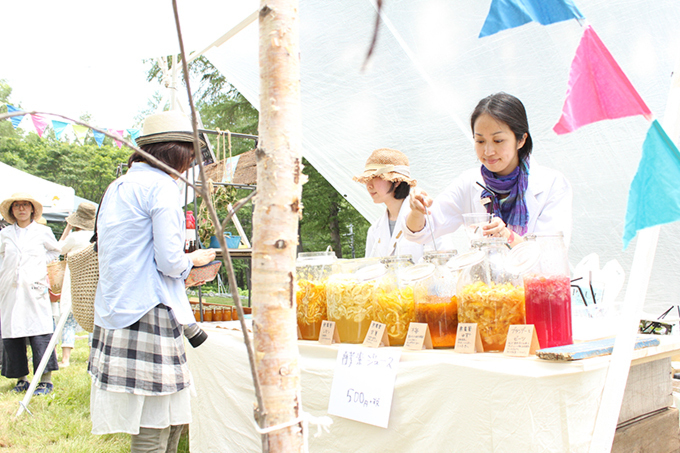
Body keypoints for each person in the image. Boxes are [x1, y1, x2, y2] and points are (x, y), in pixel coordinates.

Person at [88, 110, 216, 453]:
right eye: (188, 158)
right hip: (150, 309)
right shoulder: (161, 187)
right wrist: (195, 260)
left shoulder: (118, 186)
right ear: (174, 153)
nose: (188, 167)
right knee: (155, 420)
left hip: (119, 305)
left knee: (163, 415)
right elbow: (170, 261)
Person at [406, 92, 572, 248]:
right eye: (480, 141)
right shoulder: (469, 183)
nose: (488, 151)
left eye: (498, 140)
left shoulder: (552, 184)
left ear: (521, 140)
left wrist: (507, 235)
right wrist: (417, 211)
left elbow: (551, 255)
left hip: (532, 279)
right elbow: (421, 232)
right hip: (485, 279)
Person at [0, 192, 61, 395]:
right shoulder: (5, 234)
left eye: (25, 205)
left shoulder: (42, 231)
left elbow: (55, 251)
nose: (21, 209)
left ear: (32, 209)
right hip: (10, 289)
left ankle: (45, 379)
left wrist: (37, 264)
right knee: (13, 332)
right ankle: (21, 378)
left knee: (39, 331)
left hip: (34, 288)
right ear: (12, 210)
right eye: (17, 206)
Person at [353, 148, 437, 262]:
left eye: (375, 177)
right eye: (367, 179)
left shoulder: (426, 217)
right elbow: (370, 270)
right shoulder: (374, 230)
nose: (369, 185)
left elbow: (444, 261)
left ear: (396, 181)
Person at [56, 201, 97, 367]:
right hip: (93, 282)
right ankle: (91, 356)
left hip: (74, 280)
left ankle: (66, 358)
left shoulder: (74, 236)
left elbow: (58, 248)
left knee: (68, 320)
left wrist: (68, 227)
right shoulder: (96, 236)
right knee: (94, 319)